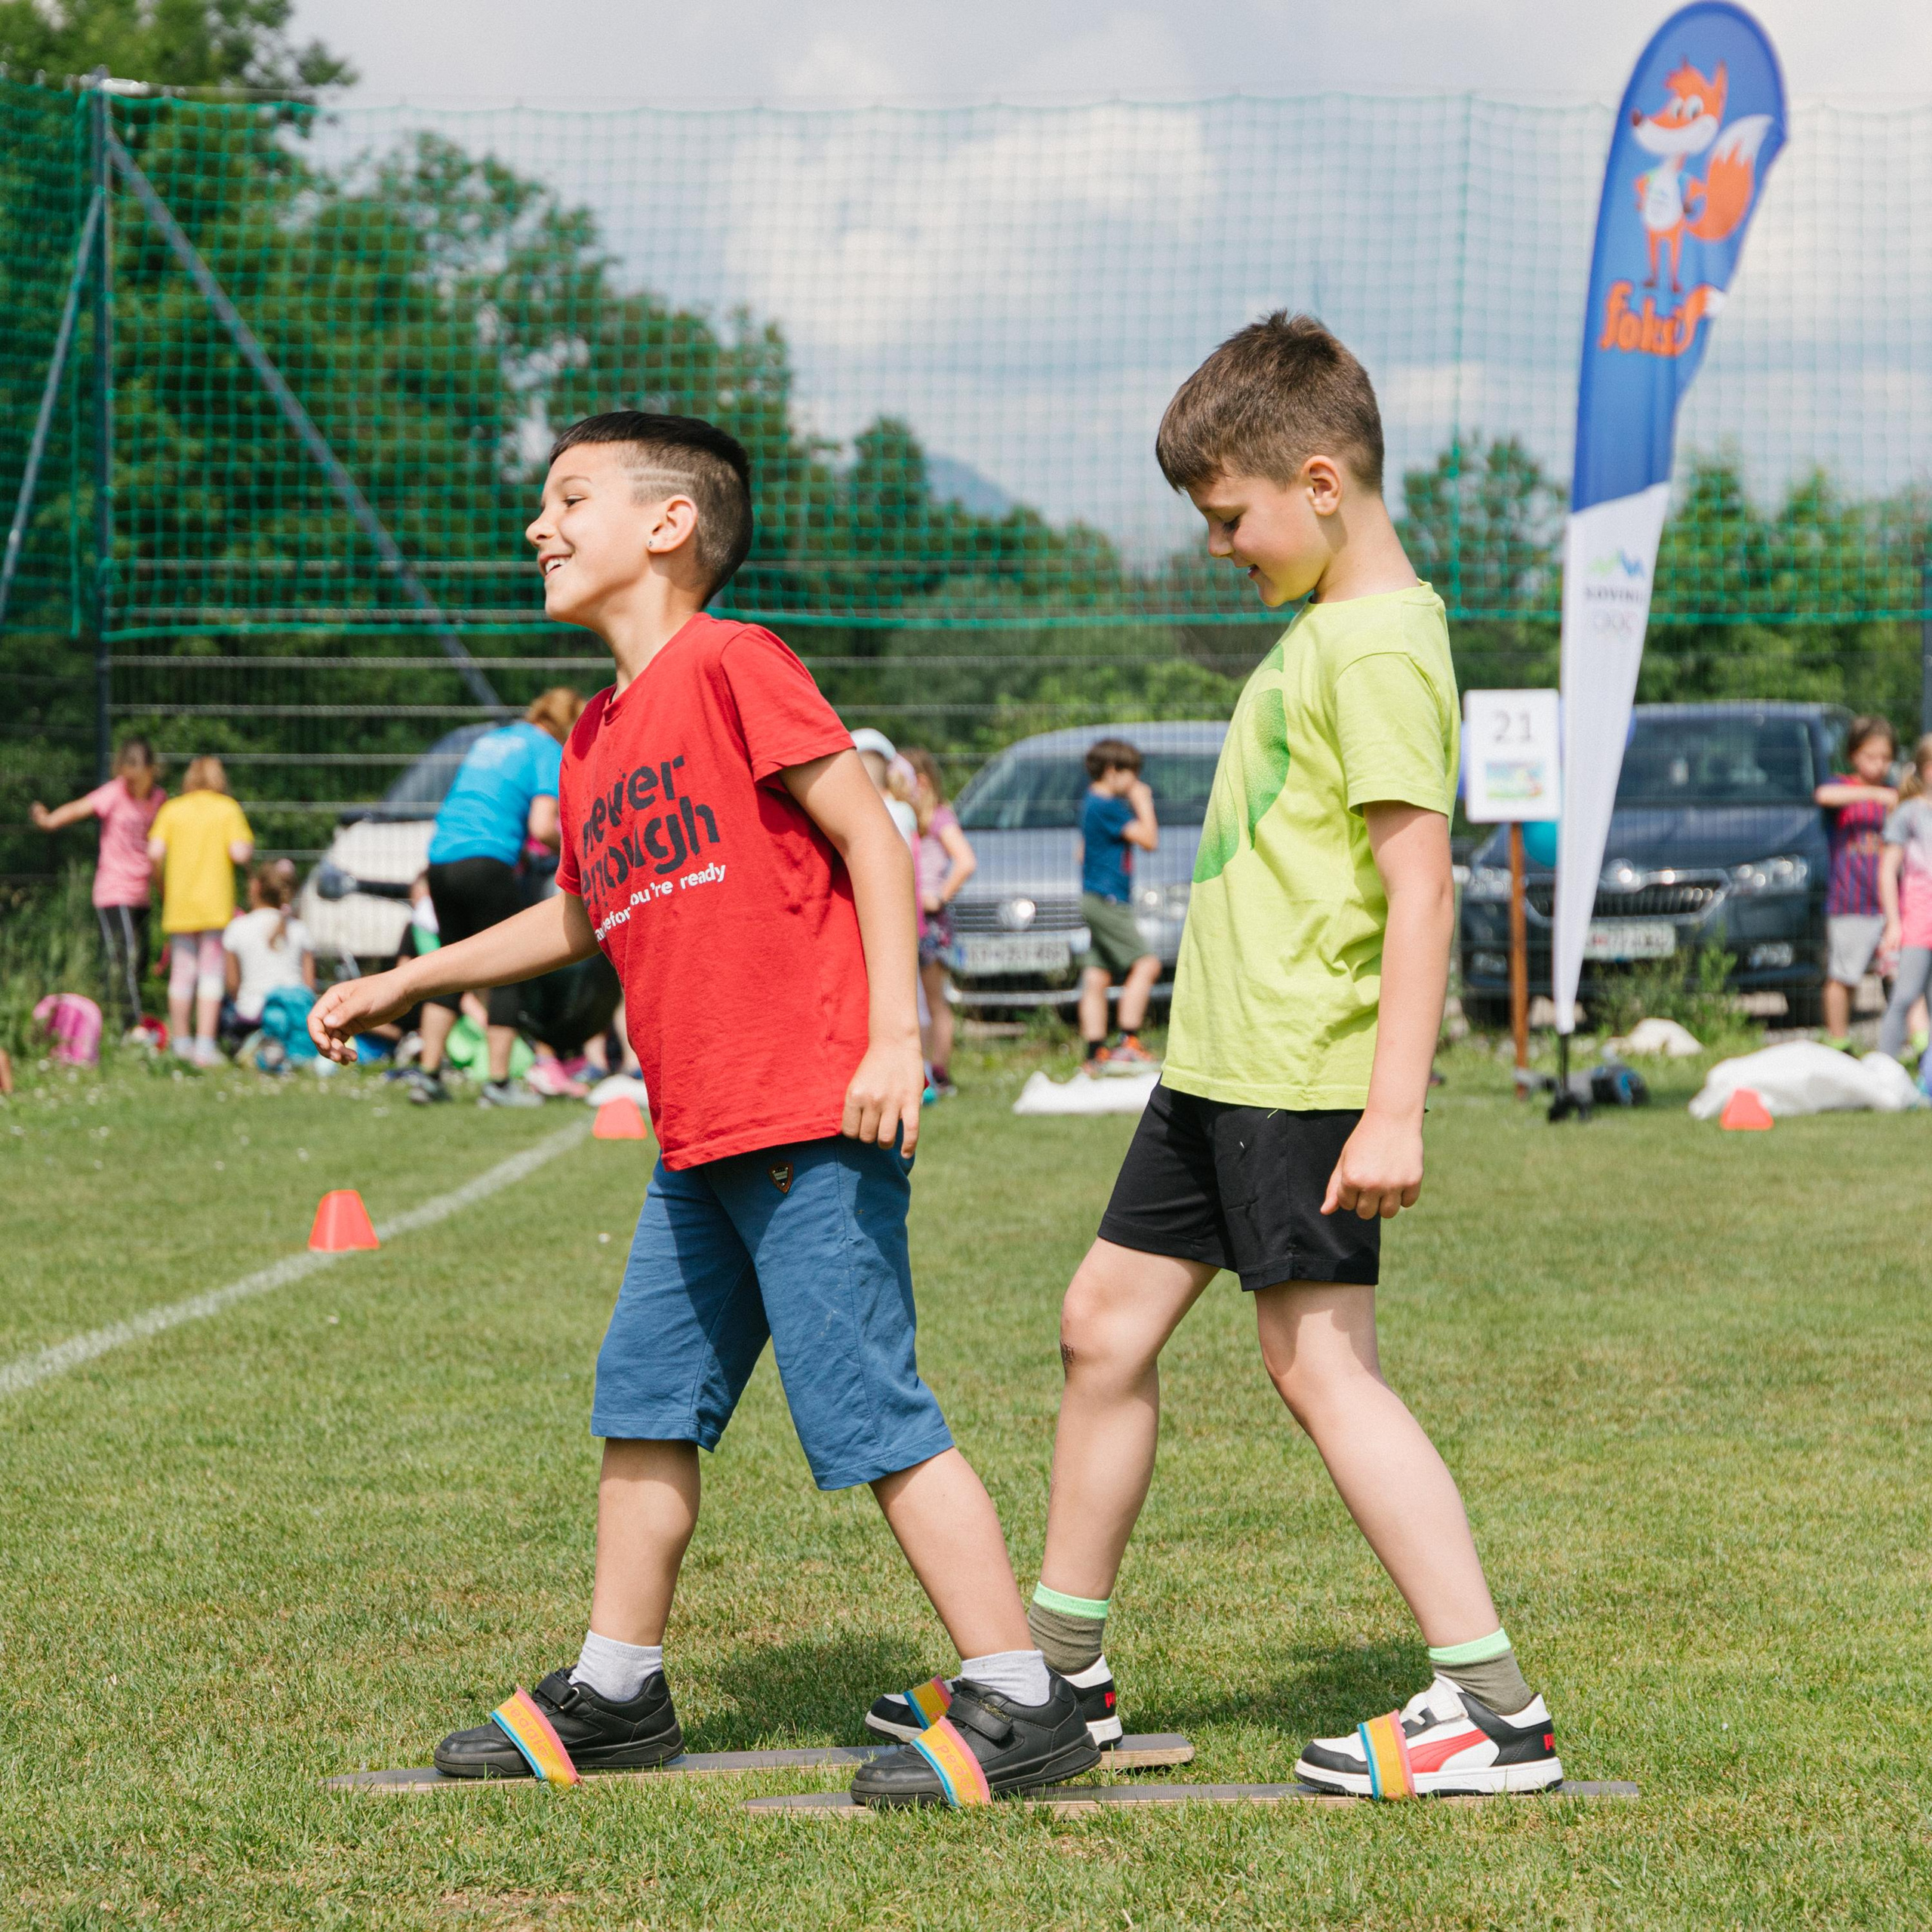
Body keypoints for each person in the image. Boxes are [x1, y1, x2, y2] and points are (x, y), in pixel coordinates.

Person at [309, 411, 1097, 1807]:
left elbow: (874, 833)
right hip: (698, 1141)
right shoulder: (599, 734)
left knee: (870, 1413)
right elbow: (579, 909)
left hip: (806, 1117)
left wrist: (895, 1038)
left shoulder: (736, 665)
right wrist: (409, 977)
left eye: (568, 501)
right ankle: (619, 1689)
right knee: (646, 1402)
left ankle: (1023, 1700)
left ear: (669, 524)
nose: (538, 527)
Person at [869, 314, 1561, 1797]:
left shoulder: (1375, 645)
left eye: (1226, 514)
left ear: (1319, 481)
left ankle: (1489, 1706)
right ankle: (1062, 1677)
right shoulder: (1323, 631)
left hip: (1302, 1077)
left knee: (1319, 1366)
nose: (1216, 544)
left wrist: (1392, 1107)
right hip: (1216, 1068)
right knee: (1099, 1326)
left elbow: (1421, 881)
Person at [410, 687, 583, 1109]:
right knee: (508, 969)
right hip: (487, 861)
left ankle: (428, 1075)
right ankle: (499, 1083)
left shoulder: (491, 740)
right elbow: (543, 826)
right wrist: (583, 847)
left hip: (441, 858)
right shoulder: (545, 748)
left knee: (448, 964)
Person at [30, 736, 166, 1033]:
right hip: (114, 888)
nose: (130, 784)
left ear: (151, 771)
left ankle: (118, 1020)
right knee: (124, 955)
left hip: (142, 893)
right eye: (125, 777)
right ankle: (132, 1028)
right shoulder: (115, 793)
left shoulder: (159, 800)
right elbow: (80, 808)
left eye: (136, 778)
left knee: (139, 962)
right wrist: (50, 820)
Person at [146, 756, 253, 1066]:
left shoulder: (172, 809)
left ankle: (180, 1043)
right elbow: (240, 852)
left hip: (179, 906)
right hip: (216, 907)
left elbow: (153, 852)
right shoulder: (227, 809)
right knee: (210, 975)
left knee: (181, 975)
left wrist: (162, 884)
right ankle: (205, 1048)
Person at [1075, 738, 1161, 1072]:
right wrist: (1143, 802)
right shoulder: (1108, 805)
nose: (1135, 782)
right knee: (1147, 964)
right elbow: (1150, 840)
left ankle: (1094, 1051)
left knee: (1097, 975)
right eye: (1131, 774)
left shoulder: (1090, 802)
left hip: (1094, 897)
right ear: (1113, 771)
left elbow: (1081, 851)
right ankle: (1129, 1041)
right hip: (1109, 900)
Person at [1814, 716, 1899, 1048]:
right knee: (1844, 976)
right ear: (1853, 755)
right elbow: (1823, 794)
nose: (1878, 765)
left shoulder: (1897, 794)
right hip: (1851, 902)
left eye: (1885, 758)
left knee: (1901, 977)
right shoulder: (1845, 788)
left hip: (1892, 905)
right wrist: (1876, 795)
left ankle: (1909, 1047)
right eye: (1870, 756)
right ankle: (1839, 1043)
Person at [905, 746, 975, 1098]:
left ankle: (940, 1073)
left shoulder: (939, 819)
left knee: (934, 1001)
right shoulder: (907, 819)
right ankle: (915, 1072)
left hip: (929, 924)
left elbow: (965, 860)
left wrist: (939, 896)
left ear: (920, 781)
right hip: (906, 918)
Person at [1877, 735, 1932, 1064]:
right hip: (1918, 919)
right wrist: (1894, 922)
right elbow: (1887, 871)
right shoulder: (1910, 814)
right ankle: (1883, 1068)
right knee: (1906, 994)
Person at [223, 860, 317, 1032]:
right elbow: (309, 986)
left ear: (256, 887)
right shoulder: (299, 929)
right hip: (294, 1016)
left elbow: (232, 984)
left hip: (252, 1017)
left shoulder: (237, 927)